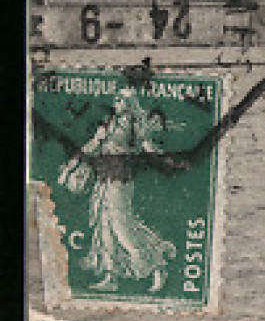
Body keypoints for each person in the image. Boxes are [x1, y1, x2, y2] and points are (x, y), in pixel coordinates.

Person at [56, 85, 176, 294]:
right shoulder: (109, 123)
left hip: (120, 178)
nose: (117, 102)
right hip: (103, 178)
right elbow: (92, 145)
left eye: (121, 100)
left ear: (129, 104)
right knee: (104, 227)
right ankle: (111, 276)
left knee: (122, 227)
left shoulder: (135, 126)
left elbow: (147, 147)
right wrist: (72, 164)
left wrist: (164, 158)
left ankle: (157, 267)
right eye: (117, 99)